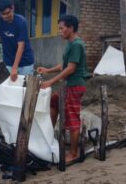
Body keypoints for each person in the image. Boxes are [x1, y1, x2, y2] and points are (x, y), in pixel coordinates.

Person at [37, 15, 87, 164]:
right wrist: (47, 70)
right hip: (68, 86)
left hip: (75, 85)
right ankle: (49, 137)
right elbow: (64, 65)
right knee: (54, 101)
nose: (59, 32)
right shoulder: (70, 44)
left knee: (72, 119)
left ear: (71, 28)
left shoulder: (77, 44)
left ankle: (73, 153)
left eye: (61, 28)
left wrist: (51, 81)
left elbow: (71, 69)